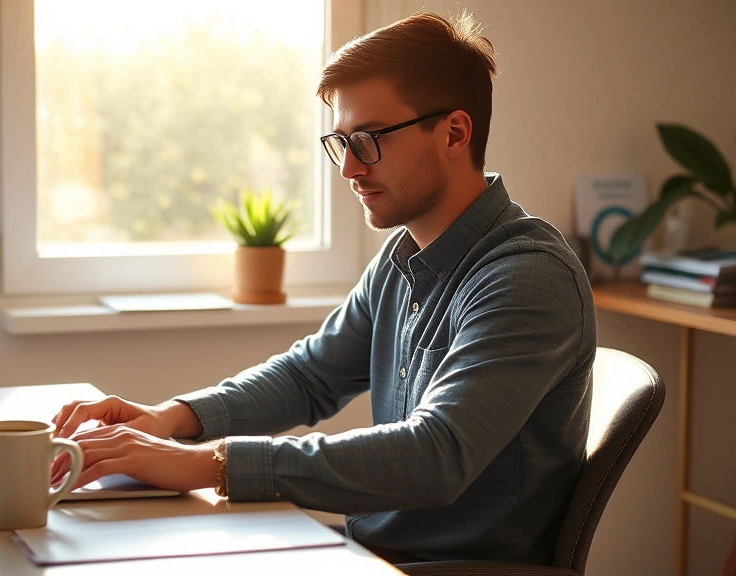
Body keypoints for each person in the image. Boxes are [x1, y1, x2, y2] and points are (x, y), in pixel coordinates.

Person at [52, 10, 595, 566]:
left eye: (369, 139)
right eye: (341, 143)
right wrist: (171, 419)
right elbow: (310, 376)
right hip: (369, 551)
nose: (349, 169)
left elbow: (438, 455)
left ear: (455, 132)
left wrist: (208, 464)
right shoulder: (403, 258)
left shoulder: (527, 276)